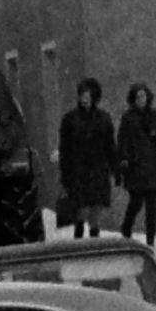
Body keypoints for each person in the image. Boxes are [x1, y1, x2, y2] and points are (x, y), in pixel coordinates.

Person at [56, 79, 118, 235]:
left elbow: (110, 146)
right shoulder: (70, 119)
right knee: (81, 208)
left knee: (96, 208)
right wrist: (65, 174)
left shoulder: (104, 119)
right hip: (78, 171)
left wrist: (115, 169)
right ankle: (79, 233)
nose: (85, 99)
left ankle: (94, 237)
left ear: (94, 97)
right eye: (82, 95)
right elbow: (65, 149)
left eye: (88, 95)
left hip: (98, 169)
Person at [115, 83, 156, 243]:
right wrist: (124, 159)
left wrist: (155, 134)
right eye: (138, 96)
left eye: (144, 96)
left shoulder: (155, 116)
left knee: (152, 208)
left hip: (153, 167)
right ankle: (127, 228)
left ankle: (150, 241)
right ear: (133, 98)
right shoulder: (128, 118)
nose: (141, 99)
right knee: (136, 203)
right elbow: (122, 141)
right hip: (136, 167)